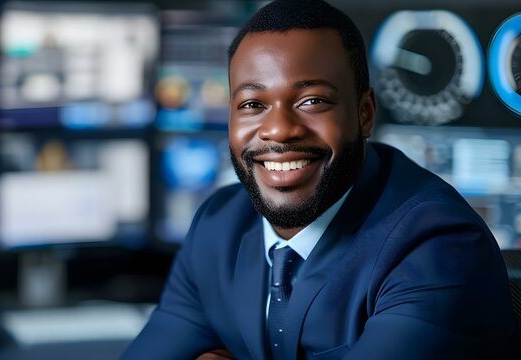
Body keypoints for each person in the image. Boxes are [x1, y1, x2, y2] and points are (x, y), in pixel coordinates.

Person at [122, 0, 520, 359]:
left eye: (312, 101)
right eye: (252, 104)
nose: (278, 130)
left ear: (365, 113)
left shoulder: (438, 246)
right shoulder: (219, 224)